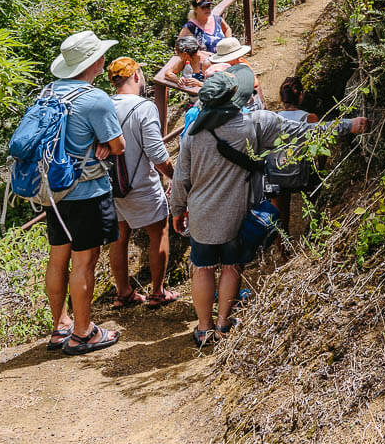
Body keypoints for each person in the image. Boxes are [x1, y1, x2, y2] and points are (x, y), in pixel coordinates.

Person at [170, 72, 366, 346]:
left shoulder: (193, 134)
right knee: (231, 266)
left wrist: (177, 210)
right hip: (236, 213)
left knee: (202, 269)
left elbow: (181, 178)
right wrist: (348, 125)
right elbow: (306, 131)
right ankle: (224, 325)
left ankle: (204, 329)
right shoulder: (257, 123)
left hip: (202, 214)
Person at [44, 30, 124, 356]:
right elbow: (119, 145)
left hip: (54, 191)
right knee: (84, 261)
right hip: (86, 191)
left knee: (57, 257)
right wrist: (104, 143)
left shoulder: (48, 93)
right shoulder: (95, 99)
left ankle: (60, 325)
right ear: (96, 61)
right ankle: (83, 332)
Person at [106, 58, 178, 309]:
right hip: (141, 186)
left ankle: (123, 292)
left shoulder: (104, 106)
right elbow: (157, 153)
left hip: (112, 185)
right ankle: (158, 292)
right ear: (136, 76)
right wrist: (174, 176)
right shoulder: (144, 107)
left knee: (119, 237)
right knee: (159, 232)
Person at [265, 76, 319, 220]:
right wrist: (320, 171)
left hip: (278, 174)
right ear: (301, 95)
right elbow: (319, 148)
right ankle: (313, 229)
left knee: (279, 215)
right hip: (303, 175)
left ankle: (281, 241)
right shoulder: (310, 118)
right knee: (314, 200)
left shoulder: (273, 118)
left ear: (282, 98)